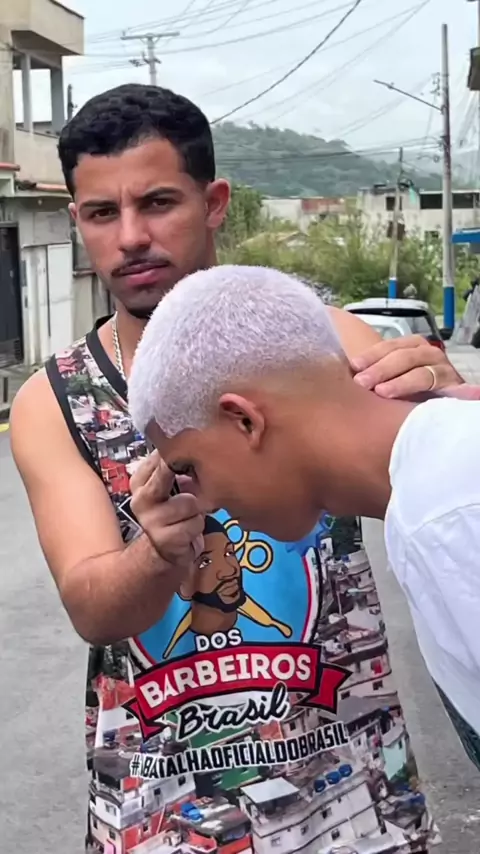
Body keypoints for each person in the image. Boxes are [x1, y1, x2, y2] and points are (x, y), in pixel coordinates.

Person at [10, 83, 462, 851]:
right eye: (101, 213)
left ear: (214, 202)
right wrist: (158, 551)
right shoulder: (55, 401)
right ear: (77, 221)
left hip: (353, 790)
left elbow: (435, 499)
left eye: (158, 203)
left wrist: (441, 415)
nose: (131, 237)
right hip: (166, 811)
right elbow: (93, 609)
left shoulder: (320, 342)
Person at [128, 263, 480, 773]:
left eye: (189, 468)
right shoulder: (437, 485)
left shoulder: (445, 513)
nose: (202, 504)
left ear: (244, 420)